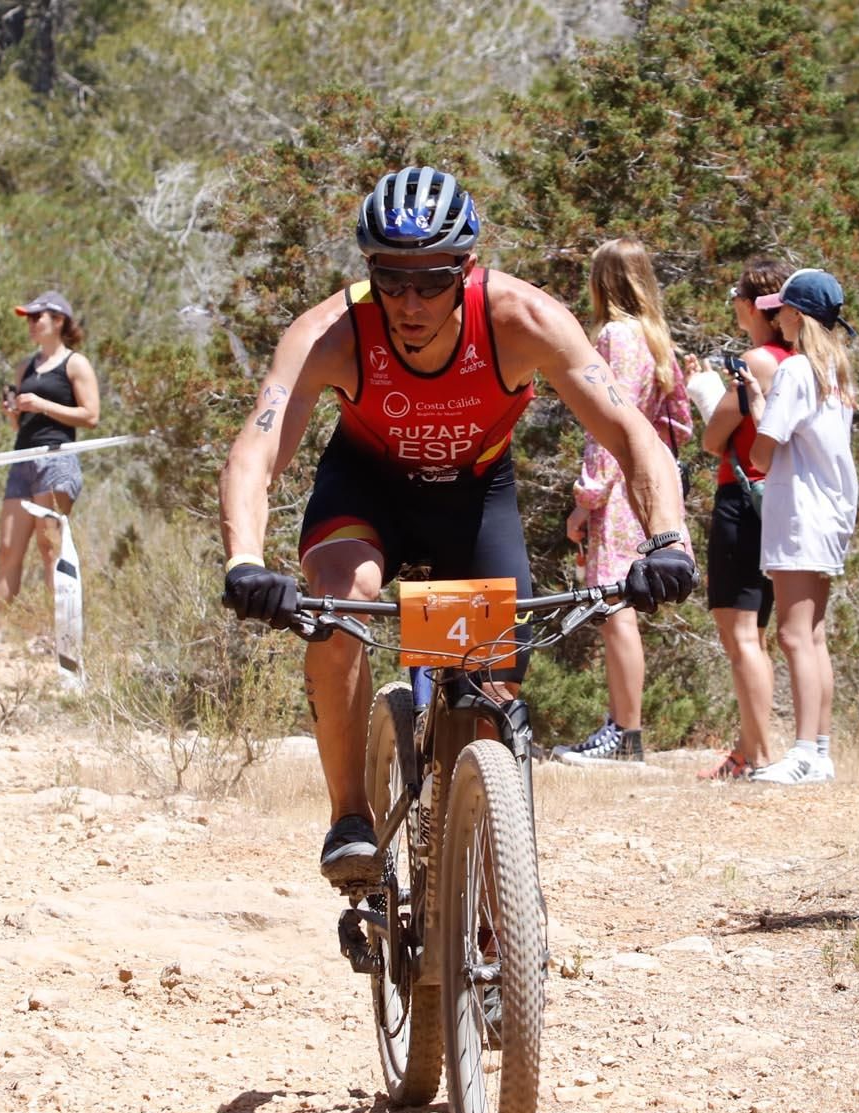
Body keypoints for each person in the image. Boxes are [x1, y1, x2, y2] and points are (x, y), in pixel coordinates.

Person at [218, 167, 697, 886]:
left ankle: (482, 881)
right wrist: (245, 562)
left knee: (489, 692)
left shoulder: (520, 320)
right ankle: (350, 817)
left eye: (432, 279)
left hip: (474, 497)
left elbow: (634, 435)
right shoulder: (332, 332)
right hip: (367, 489)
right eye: (390, 278)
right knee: (339, 602)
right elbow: (256, 451)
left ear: (467, 268)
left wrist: (670, 539)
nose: (409, 302)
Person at [556, 239, 692, 765]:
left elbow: (605, 424)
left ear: (603, 282)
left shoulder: (612, 336)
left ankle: (625, 733)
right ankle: (622, 729)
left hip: (616, 491)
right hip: (654, 485)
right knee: (625, 603)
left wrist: (586, 498)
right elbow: (677, 423)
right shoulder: (660, 340)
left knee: (614, 606)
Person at [739, 268, 859, 785]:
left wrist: (760, 408)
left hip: (800, 513)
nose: (777, 316)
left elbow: (763, 452)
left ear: (797, 315)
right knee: (813, 635)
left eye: (783, 308)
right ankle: (820, 749)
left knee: (792, 635)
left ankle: (805, 751)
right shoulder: (837, 374)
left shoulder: (796, 372)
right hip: (830, 512)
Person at [695, 259, 794, 780]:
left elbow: (713, 438)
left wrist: (705, 391)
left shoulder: (754, 361)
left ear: (750, 305)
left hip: (740, 501)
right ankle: (746, 749)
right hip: (778, 503)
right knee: (758, 634)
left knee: (741, 637)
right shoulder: (800, 359)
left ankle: (759, 756)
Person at [0, 290, 101, 653]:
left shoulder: (75, 364)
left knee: (51, 548)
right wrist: (14, 412)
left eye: (37, 317)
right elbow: (20, 426)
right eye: (28, 319)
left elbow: (91, 416)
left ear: (58, 320)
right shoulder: (25, 367)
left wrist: (43, 405)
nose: (31, 324)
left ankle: (55, 631)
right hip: (23, 458)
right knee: (8, 547)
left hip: (57, 458)